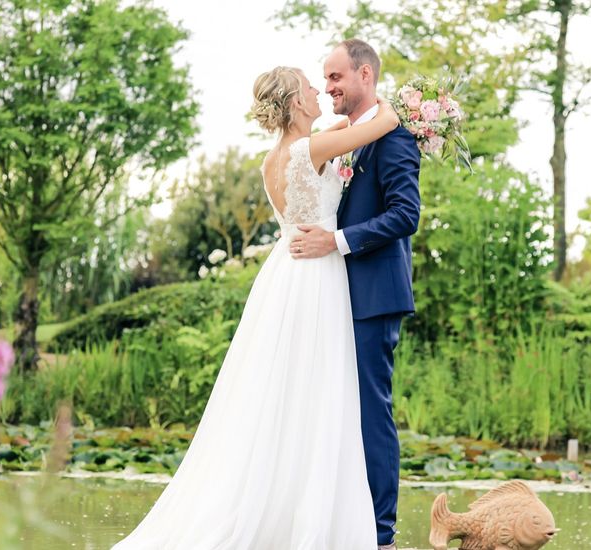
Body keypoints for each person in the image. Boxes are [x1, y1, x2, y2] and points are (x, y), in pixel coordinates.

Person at [111, 64, 399, 550]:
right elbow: (382, 124)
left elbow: (345, 128)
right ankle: (312, 517)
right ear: (295, 102)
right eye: (311, 86)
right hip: (316, 277)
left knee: (287, 392)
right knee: (322, 390)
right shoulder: (310, 149)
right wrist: (405, 106)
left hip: (285, 276)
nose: (318, 90)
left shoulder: (276, 157)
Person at [289, 38, 421, 550]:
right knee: (341, 410)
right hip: (343, 294)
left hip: (375, 294)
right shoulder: (358, 135)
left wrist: (336, 240)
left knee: (371, 409)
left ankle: (381, 532)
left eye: (336, 77)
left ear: (365, 75)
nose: (329, 87)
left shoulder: (393, 138)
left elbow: (406, 215)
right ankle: (349, 522)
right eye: (324, 79)